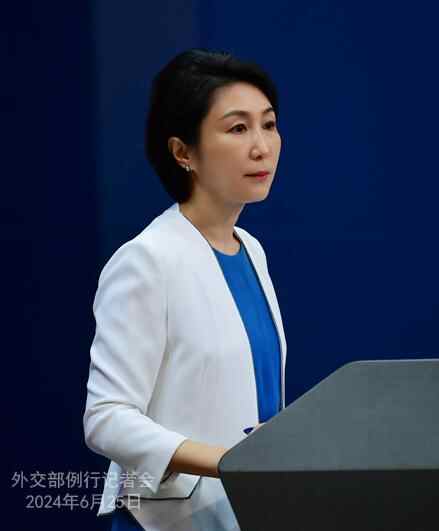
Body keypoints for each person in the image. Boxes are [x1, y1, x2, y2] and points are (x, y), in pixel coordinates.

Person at [83, 49, 287, 531]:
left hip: (247, 511)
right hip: (169, 519)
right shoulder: (148, 259)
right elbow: (106, 418)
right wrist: (226, 461)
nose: (261, 146)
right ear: (183, 153)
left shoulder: (251, 250)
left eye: (269, 124)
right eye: (238, 129)